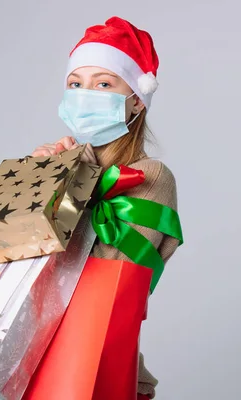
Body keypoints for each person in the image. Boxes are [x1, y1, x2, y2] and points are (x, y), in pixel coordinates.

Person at [32, 16, 180, 400]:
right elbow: (12, 258)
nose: (85, 93)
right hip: (27, 363)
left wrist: (71, 186)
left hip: (95, 369)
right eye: (75, 84)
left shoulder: (150, 177)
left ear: (135, 98)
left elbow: (104, 275)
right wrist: (40, 178)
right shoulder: (62, 163)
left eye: (103, 83)